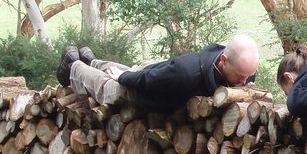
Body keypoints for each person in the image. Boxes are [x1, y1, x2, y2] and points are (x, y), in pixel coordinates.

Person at [57, 33, 260, 113]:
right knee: (110, 87)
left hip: (165, 73)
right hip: (152, 80)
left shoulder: (243, 68)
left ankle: (91, 60)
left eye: (248, 75)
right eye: (240, 76)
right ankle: (73, 65)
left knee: (124, 70)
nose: (245, 81)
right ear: (223, 61)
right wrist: (123, 78)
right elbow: (146, 79)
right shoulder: (186, 74)